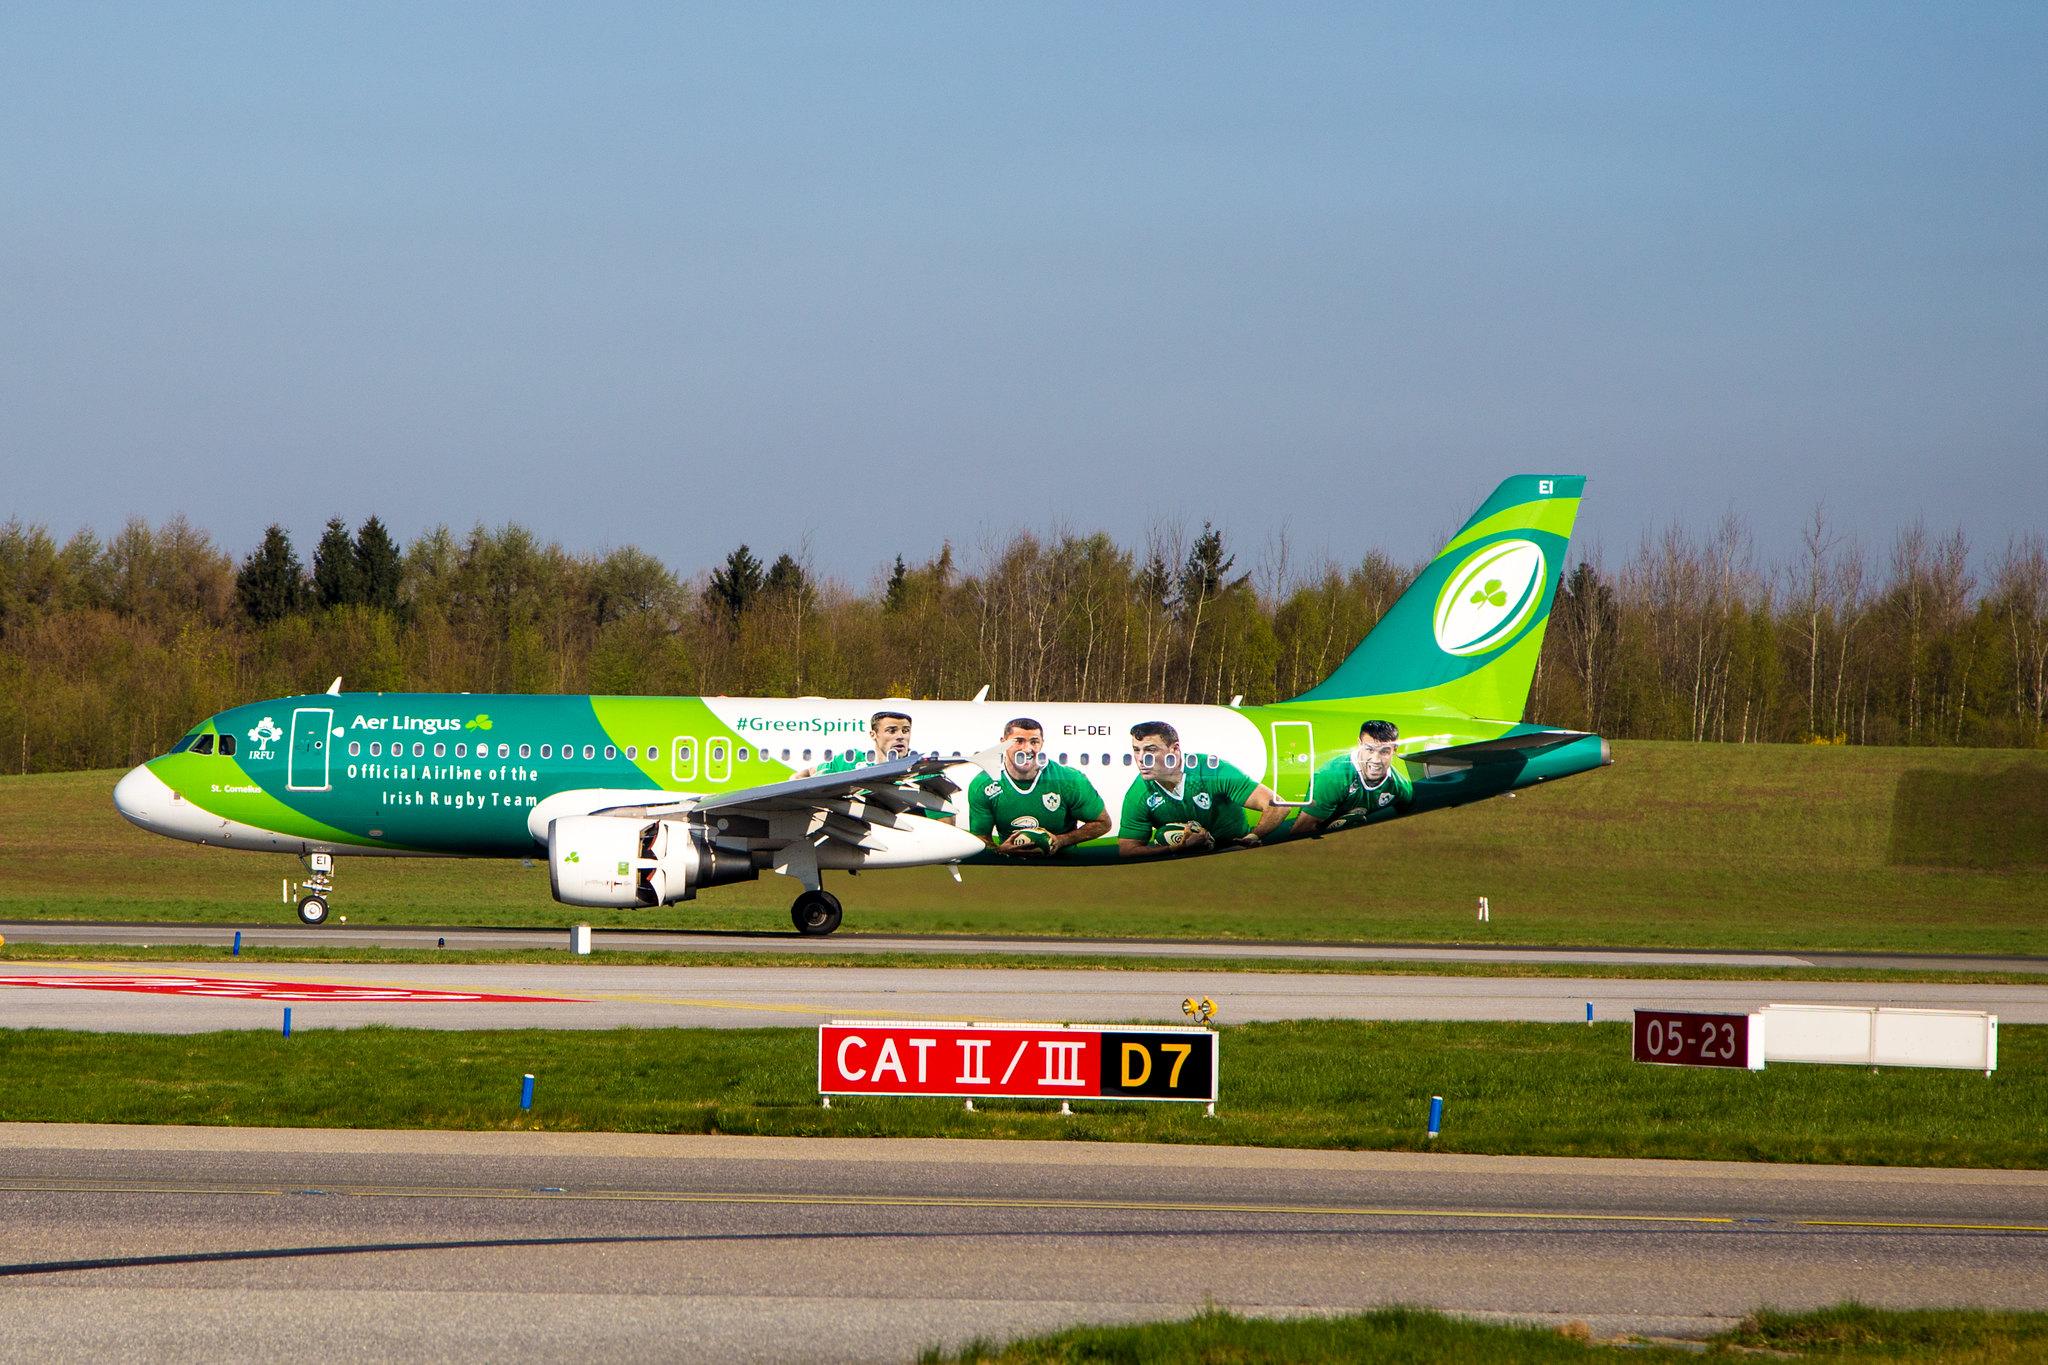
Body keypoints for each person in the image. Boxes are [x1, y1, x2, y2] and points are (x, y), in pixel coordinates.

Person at [1117, 720, 1282, 859]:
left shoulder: (1213, 772)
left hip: (1234, 853)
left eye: (1151, 750)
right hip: (1185, 864)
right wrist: (1176, 848)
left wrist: (1251, 838)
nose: (1141, 759)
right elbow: (1127, 849)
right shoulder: (1138, 794)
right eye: (1136, 750)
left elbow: (1278, 806)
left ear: (1174, 749)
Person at [968, 717, 1111, 857]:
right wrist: (1001, 851)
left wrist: (1061, 840)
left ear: (1042, 743)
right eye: (1019, 741)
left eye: (1034, 742)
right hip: (1011, 867)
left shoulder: (1069, 780)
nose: (1027, 749)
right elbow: (981, 839)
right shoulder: (983, 785)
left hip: (1064, 866)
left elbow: (1103, 823)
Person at [1290, 719, 1414, 838]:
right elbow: (1300, 832)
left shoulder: (1401, 787)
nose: (1376, 760)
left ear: (1395, 749)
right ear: (1359, 744)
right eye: (1369, 749)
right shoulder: (1332, 779)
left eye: (1384, 752)